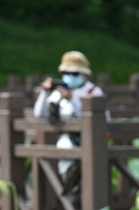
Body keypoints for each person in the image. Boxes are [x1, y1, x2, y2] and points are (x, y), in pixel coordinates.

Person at [33, 51, 104, 182]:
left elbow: (98, 121)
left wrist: (72, 100)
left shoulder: (94, 92)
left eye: (75, 73)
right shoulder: (59, 92)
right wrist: (45, 93)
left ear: (85, 75)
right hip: (62, 146)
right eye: (66, 73)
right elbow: (40, 114)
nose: (69, 76)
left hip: (88, 147)